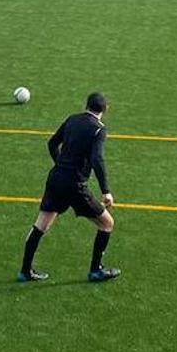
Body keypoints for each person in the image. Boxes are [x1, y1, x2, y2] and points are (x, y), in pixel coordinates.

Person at [18, 92, 119, 283]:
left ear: (85, 105)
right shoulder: (99, 129)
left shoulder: (72, 119)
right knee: (107, 223)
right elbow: (97, 159)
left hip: (56, 179)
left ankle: (25, 270)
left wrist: (61, 165)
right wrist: (106, 190)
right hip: (75, 185)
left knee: (41, 225)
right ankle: (96, 270)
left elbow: (52, 143)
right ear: (105, 109)